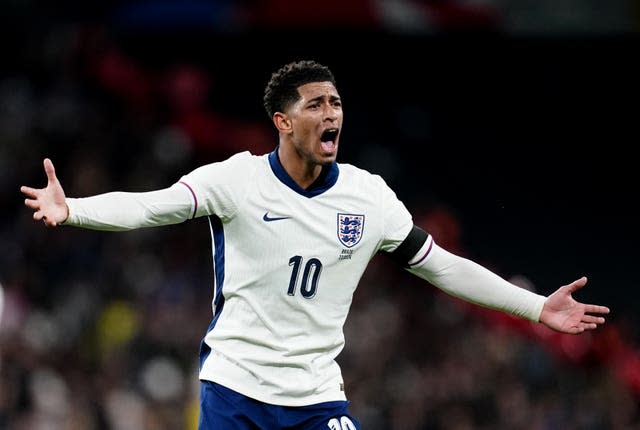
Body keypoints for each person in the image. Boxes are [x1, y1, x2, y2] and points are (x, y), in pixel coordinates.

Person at [21, 60, 610, 430]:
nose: (332, 114)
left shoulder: (368, 197)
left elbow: (440, 266)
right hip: (236, 390)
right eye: (316, 104)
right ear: (282, 121)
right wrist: (74, 211)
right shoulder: (237, 179)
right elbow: (151, 205)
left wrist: (536, 308)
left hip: (318, 398)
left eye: (336, 103)